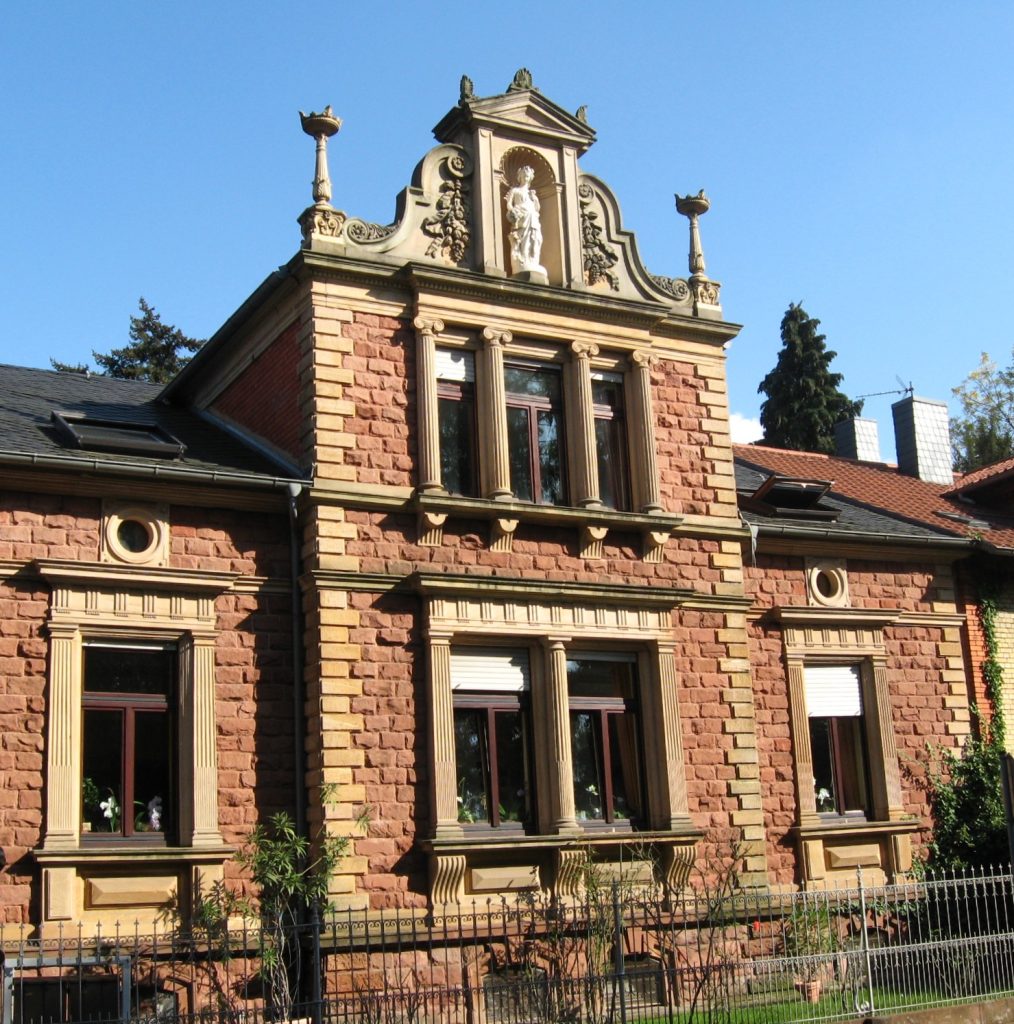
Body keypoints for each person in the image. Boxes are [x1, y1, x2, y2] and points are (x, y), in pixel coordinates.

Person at [505, 166, 545, 274]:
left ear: (530, 177)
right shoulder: (515, 190)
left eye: (527, 175)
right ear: (520, 177)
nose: (525, 177)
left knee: (536, 238)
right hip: (521, 216)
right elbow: (509, 203)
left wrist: (534, 199)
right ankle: (523, 259)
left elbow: (537, 208)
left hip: (532, 217)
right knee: (523, 238)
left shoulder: (531, 193)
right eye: (523, 175)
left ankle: (532, 260)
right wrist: (513, 211)